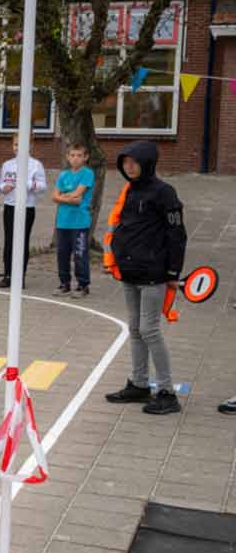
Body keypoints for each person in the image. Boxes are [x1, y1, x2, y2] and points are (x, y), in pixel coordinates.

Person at [103, 141, 186, 416]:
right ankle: (139, 384)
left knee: (150, 330)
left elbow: (177, 235)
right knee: (135, 328)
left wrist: (173, 272)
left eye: (133, 161)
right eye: (125, 162)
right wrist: (114, 257)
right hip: (130, 272)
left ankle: (166, 392)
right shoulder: (130, 191)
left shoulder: (165, 193)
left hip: (154, 274)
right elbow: (124, 227)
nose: (128, 166)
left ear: (147, 163)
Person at [0, 137, 46, 289]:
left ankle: (20, 276)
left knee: (22, 241)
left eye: (22, 144)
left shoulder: (36, 165)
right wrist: (4, 188)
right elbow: (2, 184)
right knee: (9, 241)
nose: (18, 147)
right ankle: (8, 275)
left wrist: (28, 183)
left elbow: (42, 187)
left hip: (27, 207)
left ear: (30, 146)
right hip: (10, 206)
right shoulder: (7, 164)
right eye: (16, 144)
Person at [52, 142, 95, 298]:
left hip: (80, 222)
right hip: (63, 222)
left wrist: (62, 196)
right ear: (67, 157)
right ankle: (65, 284)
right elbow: (54, 196)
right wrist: (67, 197)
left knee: (80, 254)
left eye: (79, 156)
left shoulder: (87, 173)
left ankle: (83, 285)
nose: (75, 158)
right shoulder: (63, 175)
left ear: (85, 157)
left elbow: (78, 194)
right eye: (72, 155)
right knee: (62, 253)